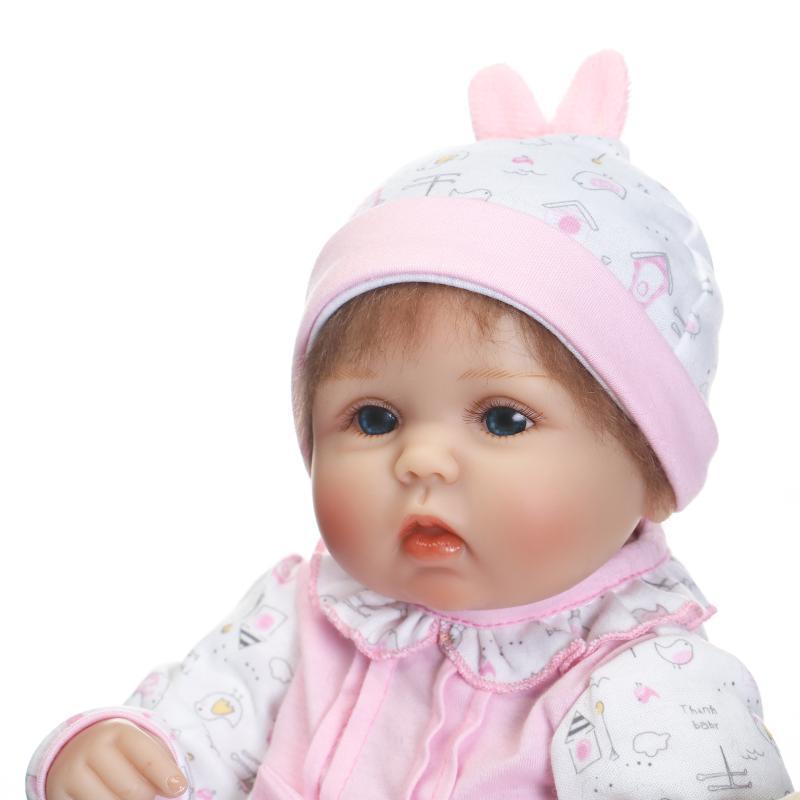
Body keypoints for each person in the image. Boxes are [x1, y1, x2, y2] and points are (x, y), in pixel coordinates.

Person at [26, 50, 796, 800]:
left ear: (655, 470)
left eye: (503, 419)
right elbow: (188, 736)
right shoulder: (301, 617)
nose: (422, 458)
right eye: (374, 418)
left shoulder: (649, 688)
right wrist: (117, 753)